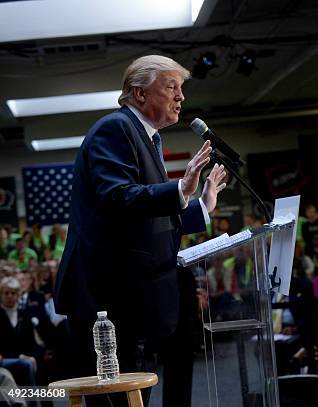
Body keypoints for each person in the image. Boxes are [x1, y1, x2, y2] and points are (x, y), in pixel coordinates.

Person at [53, 55, 227, 406]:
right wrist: (179, 190)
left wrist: (201, 208)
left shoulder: (148, 139)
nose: (180, 97)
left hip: (134, 299)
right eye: (170, 86)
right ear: (139, 93)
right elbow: (118, 198)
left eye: (181, 89)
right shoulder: (115, 129)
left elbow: (146, 222)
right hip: (110, 300)